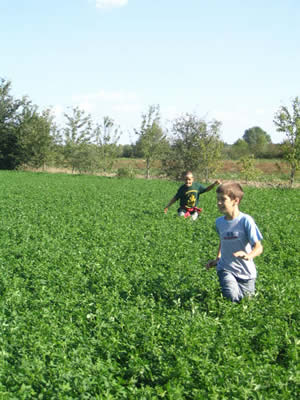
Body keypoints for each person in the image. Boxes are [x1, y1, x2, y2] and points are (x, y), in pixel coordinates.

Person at [206, 182, 263, 302]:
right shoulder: (219, 222)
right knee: (232, 297)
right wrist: (218, 259)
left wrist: (248, 255)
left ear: (235, 201)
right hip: (226, 268)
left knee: (246, 302)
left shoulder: (246, 221)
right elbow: (223, 241)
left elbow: (258, 247)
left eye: (223, 199)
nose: (219, 203)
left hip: (246, 271)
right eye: (217, 199)